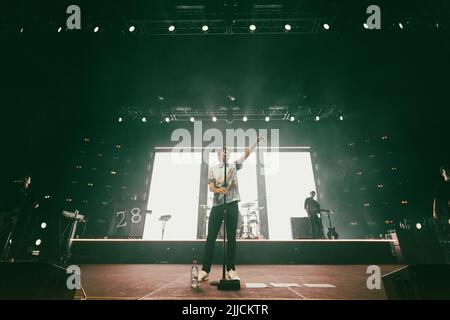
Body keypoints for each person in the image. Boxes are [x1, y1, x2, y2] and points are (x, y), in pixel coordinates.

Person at [198, 136, 263, 282]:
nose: (228, 154)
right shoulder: (213, 169)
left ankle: (231, 270)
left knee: (232, 238)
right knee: (211, 238)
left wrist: (255, 142)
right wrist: (219, 190)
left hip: (232, 204)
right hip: (217, 206)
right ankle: (205, 270)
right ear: (219, 154)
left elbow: (246, 155)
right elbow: (210, 187)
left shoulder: (234, 166)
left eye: (229, 152)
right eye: (224, 151)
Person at [0, 175, 38, 261]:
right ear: (25, 180)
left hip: (18, 218)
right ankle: (8, 256)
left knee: (15, 237)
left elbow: (22, 207)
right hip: (12, 217)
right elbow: (13, 205)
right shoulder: (17, 191)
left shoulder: (24, 193)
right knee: (8, 236)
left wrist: (31, 207)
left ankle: (10, 257)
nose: (29, 183)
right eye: (28, 181)